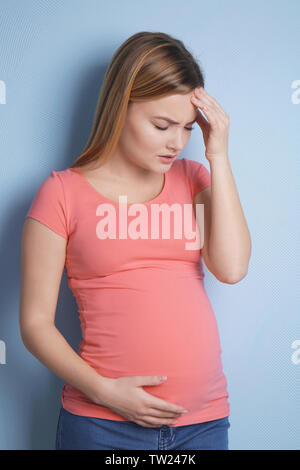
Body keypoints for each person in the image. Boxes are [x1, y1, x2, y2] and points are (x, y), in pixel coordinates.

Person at [19, 31, 251, 450]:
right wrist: (105, 393)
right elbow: (35, 324)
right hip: (101, 425)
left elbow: (231, 268)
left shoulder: (193, 179)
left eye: (186, 128)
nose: (176, 143)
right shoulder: (62, 194)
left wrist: (218, 155)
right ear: (120, 107)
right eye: (161, 125)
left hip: (202, 425)